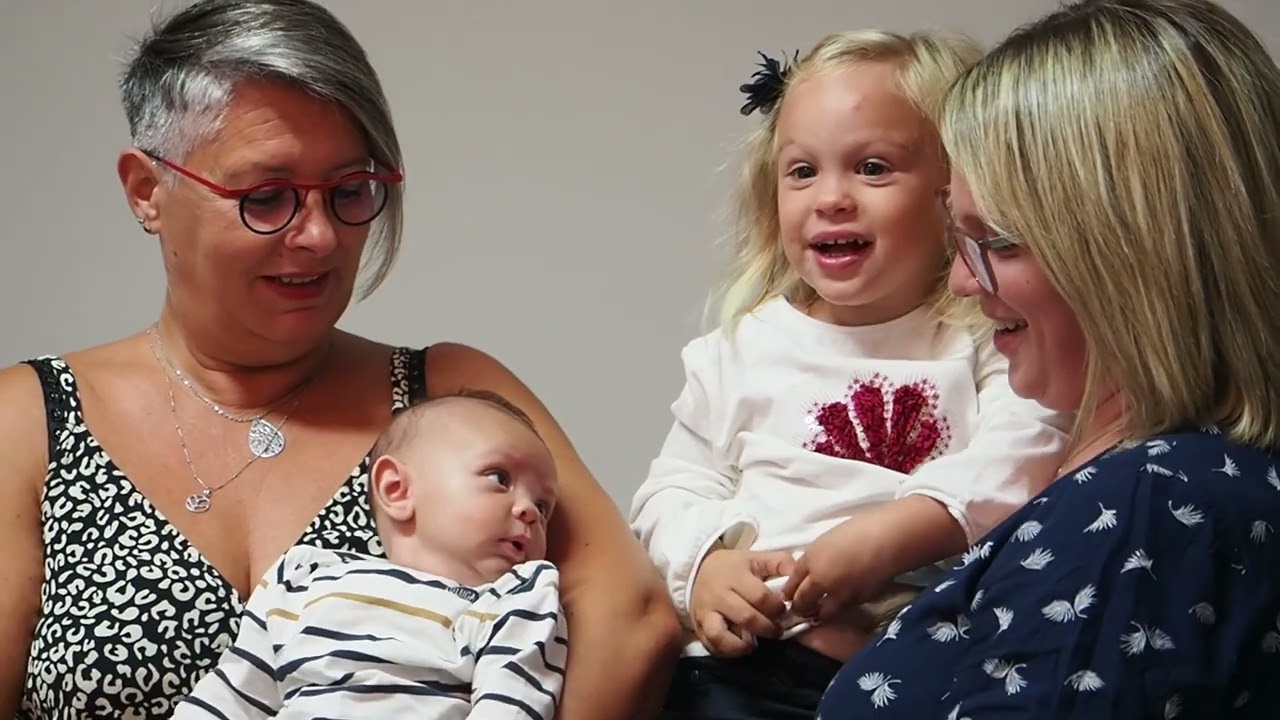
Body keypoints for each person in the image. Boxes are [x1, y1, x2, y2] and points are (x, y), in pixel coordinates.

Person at [0, 1, 681, 717]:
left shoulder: (450, 400)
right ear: (148, 192)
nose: (321, 236)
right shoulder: (28, 421)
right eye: (268, 197)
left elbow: (632, 619)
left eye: (350, 191)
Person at [817, 1, 1280, 717]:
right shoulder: (1186, 487)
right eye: (959, 241)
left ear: (1137, 255)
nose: (965, 283)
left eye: (997, 242)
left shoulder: (1139, 506)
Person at [629, 28, 1070, 719]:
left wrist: (894, 533)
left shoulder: (983, 337)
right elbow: (670, 491)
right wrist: (704, 569)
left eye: (872, 167)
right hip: (746, 671)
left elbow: (1029, 447)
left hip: (915, 667)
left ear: (951, 193)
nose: (831, 197)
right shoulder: (741, 349)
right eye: (802, 172)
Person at [174, 389, 567, 718]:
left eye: (544, 506)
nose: (528, 510)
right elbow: (230, 698)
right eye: (500, 478)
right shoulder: (304, 580)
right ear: (397, 489)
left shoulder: (516, 601)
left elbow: (511, 707)